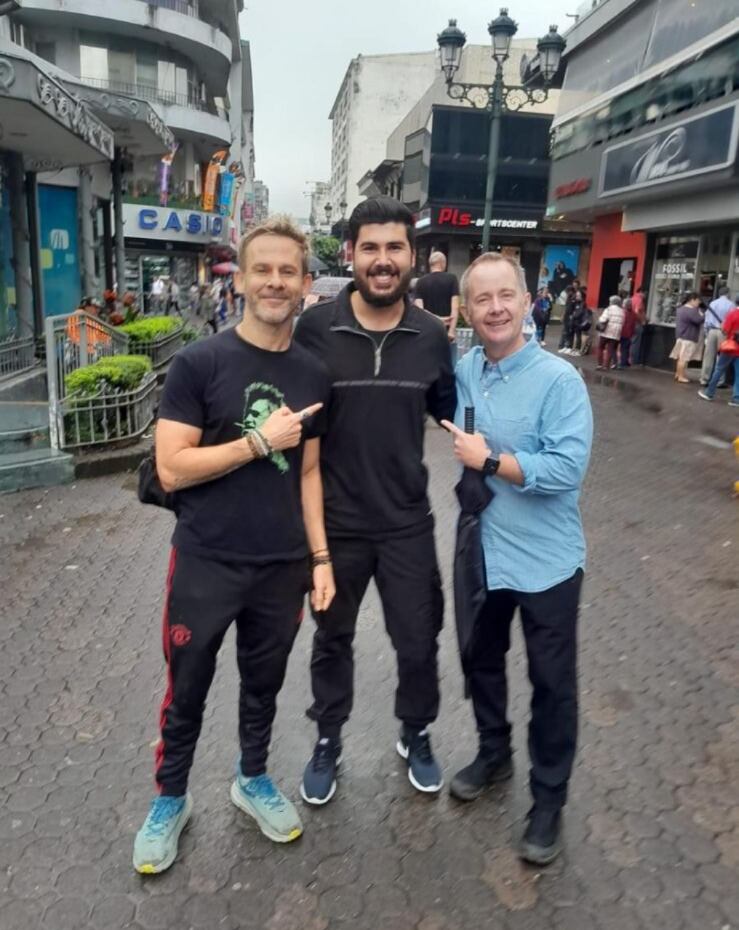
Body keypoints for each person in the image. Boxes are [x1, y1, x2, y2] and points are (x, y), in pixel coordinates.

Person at [132, 216, 334, 875]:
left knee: (263, 684)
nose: (275, 281)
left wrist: (320, 558)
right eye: (263, 270)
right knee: (186, 685)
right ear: (241, 280)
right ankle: (170, 798)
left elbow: (308, 473)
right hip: (206, 559)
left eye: (287, 271)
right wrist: (257, 442)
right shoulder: (200, 363)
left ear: (304, 284)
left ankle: (251, 778)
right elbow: (171, 468)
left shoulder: (313, 373)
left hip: (281, 566)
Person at [293, 196, 456, 804]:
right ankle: (328, 738)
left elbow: (453, 413)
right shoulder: (316, 329)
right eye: (370, 248)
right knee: (331, 638)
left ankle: (416, 731)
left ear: (412, 256)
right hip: (336, 525)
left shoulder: (432, 336)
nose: (382, 261)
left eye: (394, 248)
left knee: (418, 640)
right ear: (351, 254)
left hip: (407, 522)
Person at [440, 251, 592, 866]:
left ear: (527, 303)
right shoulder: (466, 370)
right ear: (468, 311)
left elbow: (566, 469)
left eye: (507, 296)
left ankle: (548, 799)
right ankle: (494, 751)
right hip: (481, 549)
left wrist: (491, 461)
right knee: (480, 659)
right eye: (483, 299)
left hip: (547, 561)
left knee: (552, 684)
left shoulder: (560, 381)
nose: (496, 308)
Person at [414, 250, 461, 349]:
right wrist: (451, 331)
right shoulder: (452, 279)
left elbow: (419, 310)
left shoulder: (420, 282)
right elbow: (455, 307)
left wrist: (436, 319)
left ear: (430, 264)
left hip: (427, 331)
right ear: (443, 263)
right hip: (446, 331)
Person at [698, 299, 739, 407]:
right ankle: (736, 398)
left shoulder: (733, 314)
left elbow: (725, 330)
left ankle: (709, 392)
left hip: (731, 347)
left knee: (719, 369)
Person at [701, 286, 733, 387]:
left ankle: (704, 379)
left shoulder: (712, 303)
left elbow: (707, 319)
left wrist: (706, 333)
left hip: (711, 331)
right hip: (723, 332)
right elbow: (731, 320)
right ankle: (719, 381)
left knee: (708, 356)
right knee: (721, 357)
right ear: (728, 293)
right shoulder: (731, 305)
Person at [670, 292, 704, 384]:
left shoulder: (680, 309)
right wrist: (702, 314)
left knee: (680, 357)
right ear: (692, 300)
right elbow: (698, 320)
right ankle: (681, 376)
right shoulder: (691, 311)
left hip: (681, 336)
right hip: (688, 337)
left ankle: (678, 374)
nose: (699, 303)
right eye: (698, 300)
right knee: (684, 358)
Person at [596, 295, 625, 370]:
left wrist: (599, 318)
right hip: (616, 333)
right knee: (610, 349)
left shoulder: (608, 309)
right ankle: (606, 366)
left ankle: (599, 364)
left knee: (600, 347)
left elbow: (603, 320)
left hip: (606, 331)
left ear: (611, 302)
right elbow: (623, 322)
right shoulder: (622, 311)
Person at [630, 286, 647, 365]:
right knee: (635, 342)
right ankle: (633, 360)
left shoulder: (632, 298)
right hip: (637, 323)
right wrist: (642, 321)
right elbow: (637, 312)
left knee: (630, 341)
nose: (646, 295)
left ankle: (627, 358)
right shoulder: (639, 300)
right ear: (641, 292)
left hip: (630, 323)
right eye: (645, 293)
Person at [618, 296, 637, 368]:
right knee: (626, 348)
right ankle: (625, 362)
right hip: (629, 333)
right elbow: (633, 324)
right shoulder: (633, 314)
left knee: (621, 348)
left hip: (621, 332)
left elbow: (621, 323)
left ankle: (621, 363)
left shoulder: (623, 312)